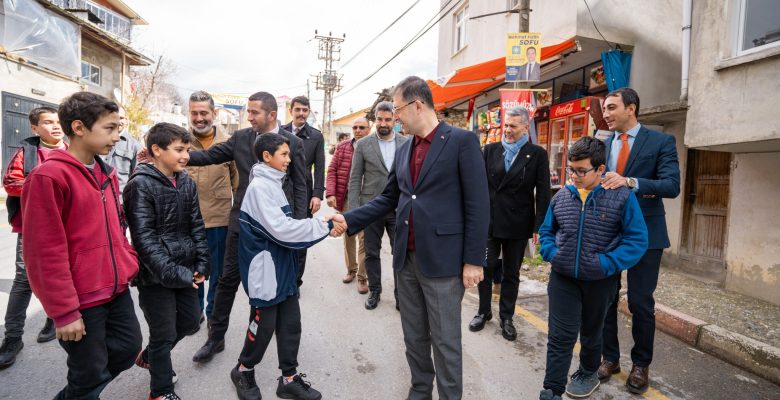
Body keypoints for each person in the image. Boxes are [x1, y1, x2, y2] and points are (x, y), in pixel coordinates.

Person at [329, 76, 489, 400]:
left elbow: (478, 203)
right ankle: (420, 390)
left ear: (417, 105)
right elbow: (387, 200)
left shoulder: (461, 141)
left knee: (445, 341)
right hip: (406, 260)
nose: (395, 117)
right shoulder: (404, 151)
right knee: (414, 336)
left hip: (444, 262)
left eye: (398, 109)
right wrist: (348, 217)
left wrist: (474, 259)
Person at [22, 92, 142, 399]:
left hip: (114, 289)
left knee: (128, 350)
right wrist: (63, 312)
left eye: (119, 128)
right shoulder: (48, 177)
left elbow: (115, 227)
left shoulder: (106, 172)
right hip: (81, 297)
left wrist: (127, 259)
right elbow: (43, 251)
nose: (118, 136)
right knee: (88, 373)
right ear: (78, 127)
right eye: (110, 128)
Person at [188, 91, 308, 364]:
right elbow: (211, 155)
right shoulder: (241, 138)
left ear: (272, 115)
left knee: (273, 287)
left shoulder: (292, 143)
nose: (249, 117)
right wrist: (180, 158)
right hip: (240, 225)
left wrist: (298, 229)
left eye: (254, 112)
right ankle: (215, 339)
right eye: (248, 112)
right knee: (226, 281)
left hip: (276, 231)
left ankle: (270, 346)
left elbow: (301, 186)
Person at [537, 136, 648, 400]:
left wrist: (606, 263)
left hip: (601, 280)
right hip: (563, 278)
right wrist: (552, 253)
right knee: (560, 336)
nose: (574, 176)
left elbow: (637, 240)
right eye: (571, 169)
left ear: (600, 169)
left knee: (591, 332)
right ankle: (551, 390)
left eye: (581, 170)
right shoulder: (562, 196)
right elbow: (547, 231)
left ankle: (588, 372)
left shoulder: (622, 197)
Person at [230, 133, 339, 400]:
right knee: (263, 325)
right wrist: (324, 224)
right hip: (265, 269)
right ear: (267, 157)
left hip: (282, 266)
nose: (289, 159)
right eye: (284, 154)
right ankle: (243, 369)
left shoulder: (274, 182)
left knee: (291, 323)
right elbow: (282, 230)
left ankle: (288, 379)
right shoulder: (259, 189)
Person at [598, 87, 680, 394]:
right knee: (605, 298)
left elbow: (672, 185)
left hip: (646, 233)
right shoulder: (602, 144)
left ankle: (641, 364)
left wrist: (630, 181)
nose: (605, 114)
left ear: (631, 108)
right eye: (604, 109)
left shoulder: (661, 142)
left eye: (610, 108)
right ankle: (609, 358)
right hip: (607, 232)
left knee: (640, 302)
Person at [123, 122, 209, 400]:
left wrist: (202, 263)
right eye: (179, 150)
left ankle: (150, 356)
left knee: (190, 322)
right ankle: (160, 391)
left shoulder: (185, 180)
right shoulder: (139, 185)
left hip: (184, 269)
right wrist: (175, 273)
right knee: (163, 333)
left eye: (187, 150)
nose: (185, 156)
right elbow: (144, 240)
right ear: (156, 150)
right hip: (154, 276)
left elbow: (196, 224)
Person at [469, 105, 551, 340]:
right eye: (506, 125)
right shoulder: (490, 150)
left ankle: (507, 317)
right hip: (490, 222)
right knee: (484, 267)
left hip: (518, 223)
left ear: (526, 127)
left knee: (511, 273)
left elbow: (543, 193)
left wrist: (539, 226)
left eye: (513, 126)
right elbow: (479, 187)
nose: (507, 130)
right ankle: (484, 312)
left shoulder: (536, 154)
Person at [0, 107, 65, 369]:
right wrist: (46, 184)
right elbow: (11, 183)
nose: (56, 127)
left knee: (62, 275)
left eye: (59, 122)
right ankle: (13, 338)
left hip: (68, 228)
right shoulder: (26, 152)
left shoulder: (75, 149)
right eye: (48, 122)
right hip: (32, 229)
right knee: (23, 280)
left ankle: (54, 318)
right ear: (35, 128)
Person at [348, 102, 409, 310]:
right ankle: (375, 291)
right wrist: (356, 213)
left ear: (394, 120)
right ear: (375, 119)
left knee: (399, 252)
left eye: (388, 119)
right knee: (372, 252)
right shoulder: (363, 144)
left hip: (398, 208)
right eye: (380, 119)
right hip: (371, 207)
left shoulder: (406, 143)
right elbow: (355, 179)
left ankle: (401, 295)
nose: (383, 123)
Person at [185, 91, 238, 325]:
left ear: (214, 113)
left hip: (219, 221)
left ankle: (214, 314)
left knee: (217, 274)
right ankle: (195, 312)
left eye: (204, 112)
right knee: (192, 272)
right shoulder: (179, 143)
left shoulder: (229, 144)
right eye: (194, 113)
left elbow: (239, 186)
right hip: (186, 222)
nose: (199, 118)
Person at [282, 96, 325, 289]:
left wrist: (317, 195)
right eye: (297, 109)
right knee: (280, 233)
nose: (301, 113)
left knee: (300, 235)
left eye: (304, 110)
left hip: (304, 193)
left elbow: (321, 167)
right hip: (280, 190)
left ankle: (295, 282)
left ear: (308, 112)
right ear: (291, 110)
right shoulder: (280, 132)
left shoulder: (316, 136)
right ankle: (282, 275)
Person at [325, 118, 368, 291]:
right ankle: (351, 269)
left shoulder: (374, 147)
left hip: (367, 200)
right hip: (347, 199)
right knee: (348, 235)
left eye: (362, 127)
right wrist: (331, 193)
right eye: (355, 127)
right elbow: (332, 170)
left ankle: (362, 277)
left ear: (368, 129)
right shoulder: (343, 147)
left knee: (364, 239)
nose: (358, 130)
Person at [102, 105, 143, 196]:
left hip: (119, 202)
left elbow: (138, 180)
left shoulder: (135, 146)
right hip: (96, 197)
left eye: (121, 118)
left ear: (126, 120)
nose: (118, 121)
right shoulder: (98, 140)